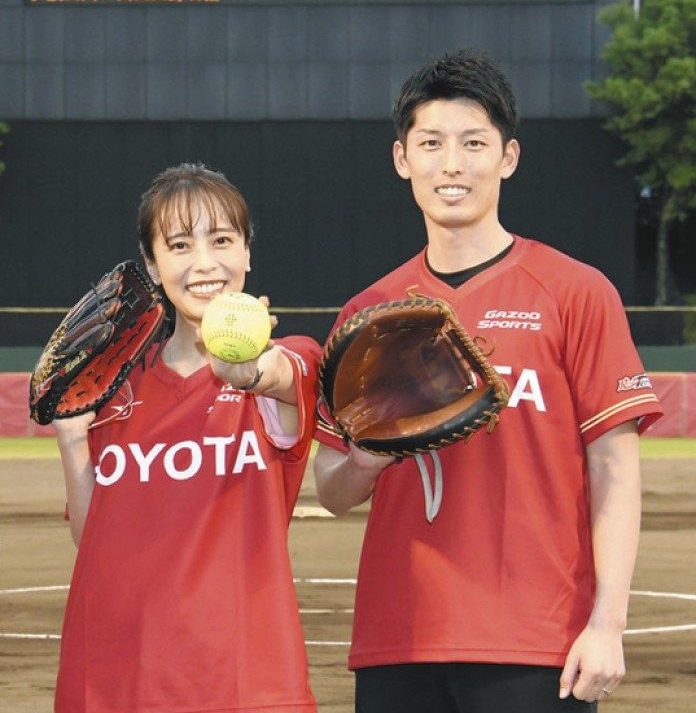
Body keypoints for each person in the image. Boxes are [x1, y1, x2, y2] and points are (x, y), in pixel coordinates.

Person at [314, 50, 663, 713]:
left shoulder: (575, 291)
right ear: (402, 159)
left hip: (536, 638)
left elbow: (613, 467)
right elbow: (332, 492)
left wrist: (607, 623)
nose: (453, 164)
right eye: (432, 143)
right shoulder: (371, 315)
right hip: (399, 639)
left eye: (474, 143)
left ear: (507, 157)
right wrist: (366, 455)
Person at [53, 163, 319, 713]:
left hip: (244, 684)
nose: (204, 263)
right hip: (113, 679)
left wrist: (243, 370)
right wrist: (73, 440)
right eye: (179, 244)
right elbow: (95, 539)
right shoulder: (111, 385)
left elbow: (279, 376)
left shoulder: (290, 359)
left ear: (247, 252)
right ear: (153, 264)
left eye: (222, 239)